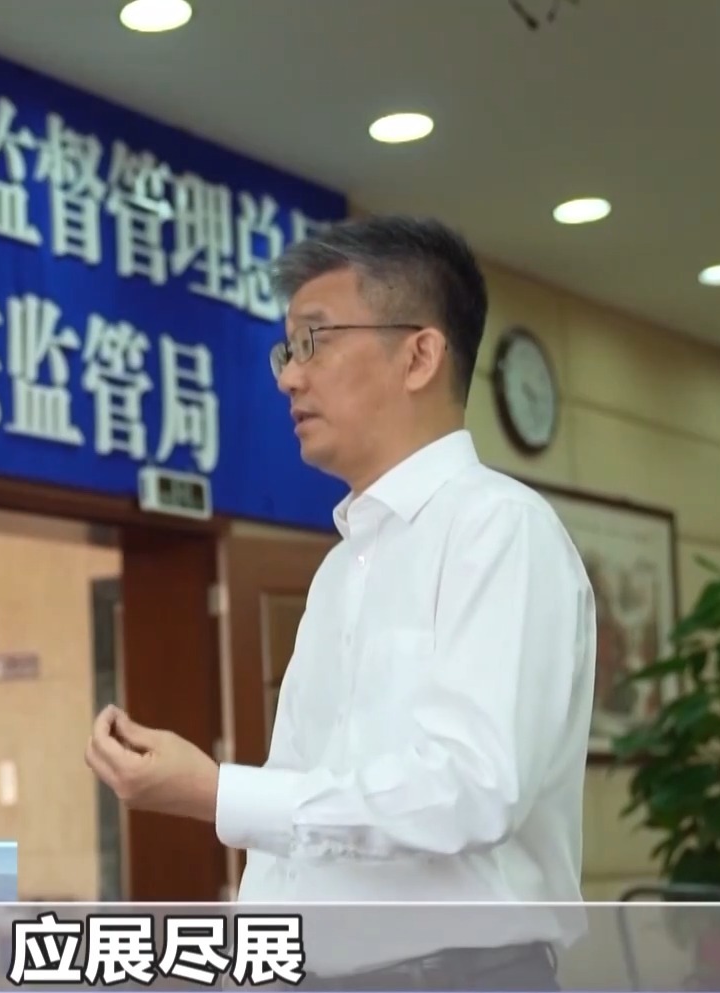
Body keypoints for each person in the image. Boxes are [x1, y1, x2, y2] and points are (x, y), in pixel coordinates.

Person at [85, 216, 595, 990]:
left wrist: (218, 791)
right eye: (287, 350)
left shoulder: (499, 529)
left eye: (315, 342)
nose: (289, 377)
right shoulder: (341, 568)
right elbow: (303, 822)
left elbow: (470, 791)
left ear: (419, 354)